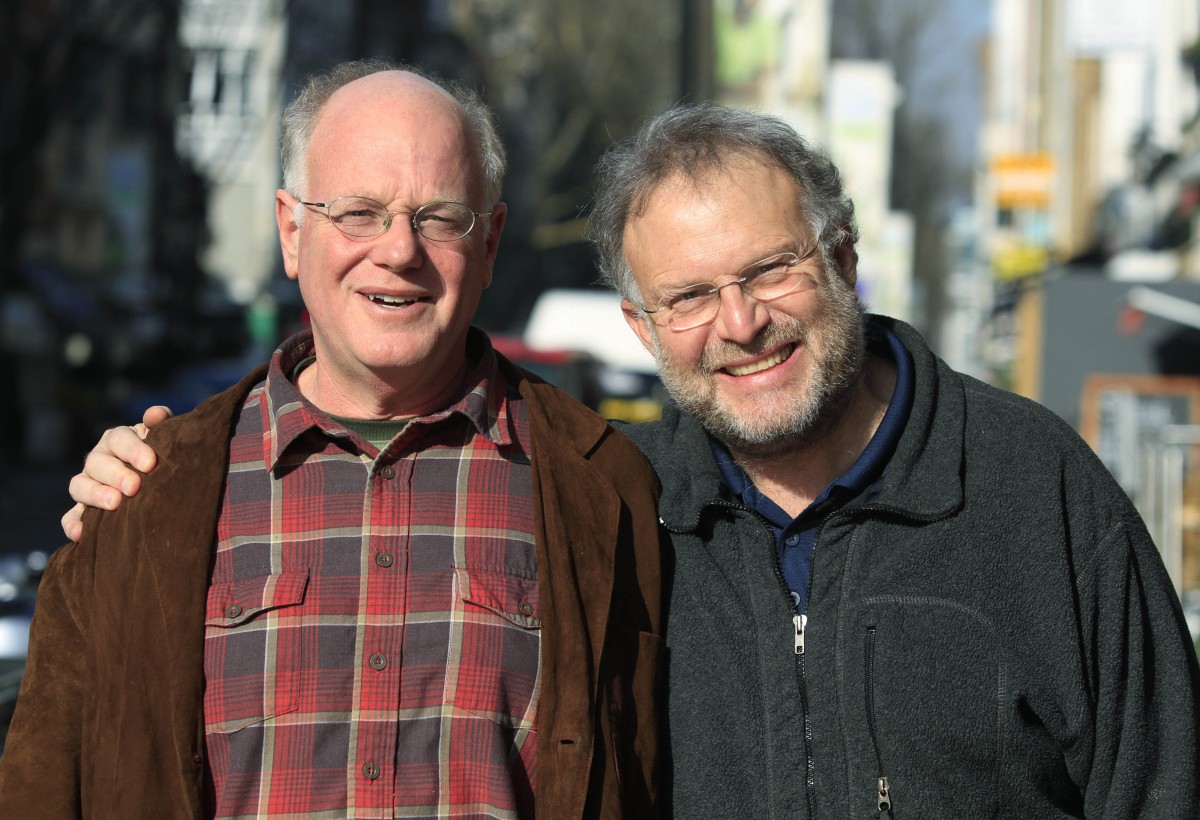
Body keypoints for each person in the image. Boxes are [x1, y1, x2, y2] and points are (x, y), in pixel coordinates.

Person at [61, 103, 1200, 817]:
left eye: (772, 271)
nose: (740, 323)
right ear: (643, 330)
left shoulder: (1031, 489)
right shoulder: (631, 501)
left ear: (845, 259)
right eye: (690, 297)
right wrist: (141, 474)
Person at [0, 60, 666, 819]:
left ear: (490, 244)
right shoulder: (147, 496)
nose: (398, 250)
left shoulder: (601, 488)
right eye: (358, 212)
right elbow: (44, 787)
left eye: (440, 217)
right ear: (291, 230)